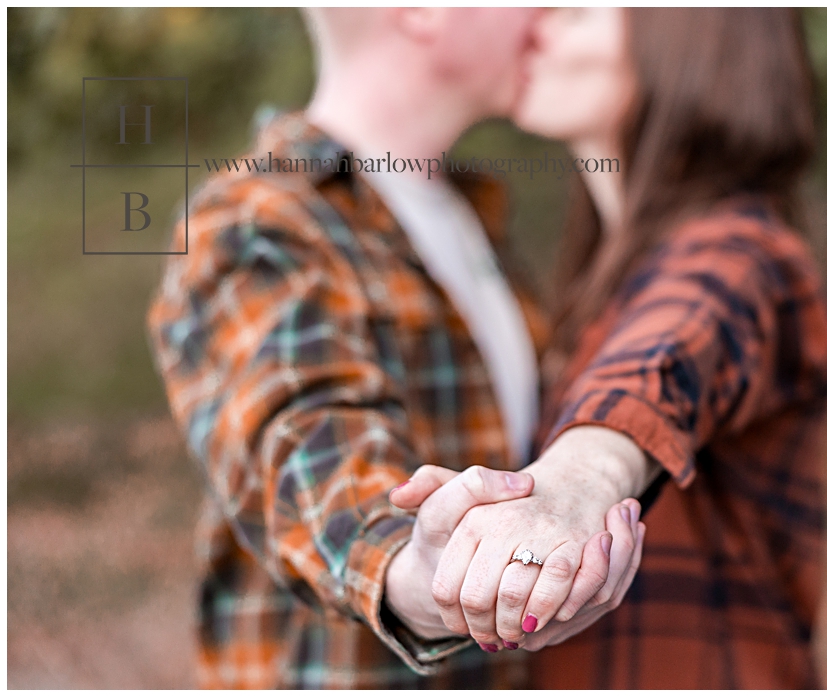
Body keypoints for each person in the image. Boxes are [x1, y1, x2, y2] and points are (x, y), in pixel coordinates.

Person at [147, 8, 645, 688]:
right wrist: (414, 567)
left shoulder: (467, 213)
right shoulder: (259, 218)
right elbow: (302, 441)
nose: (547, 11)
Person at [401, 8, 827, 688]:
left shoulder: (743, 252)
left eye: (577, 11)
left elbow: (675, 346)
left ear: (692, 40)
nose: (538, 23)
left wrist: (577, 481)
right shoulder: (604, 278)